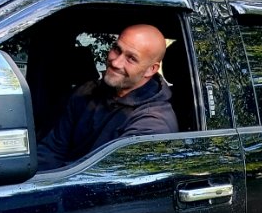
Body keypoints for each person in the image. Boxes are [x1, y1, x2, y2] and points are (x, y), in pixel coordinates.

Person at [37, 24, 178, 170]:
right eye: (117, 49)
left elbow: (107, 179)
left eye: (131, 58)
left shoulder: (153, 124)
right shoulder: (87, 91)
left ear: (151, 69)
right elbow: (52, 150)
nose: (115, 62)